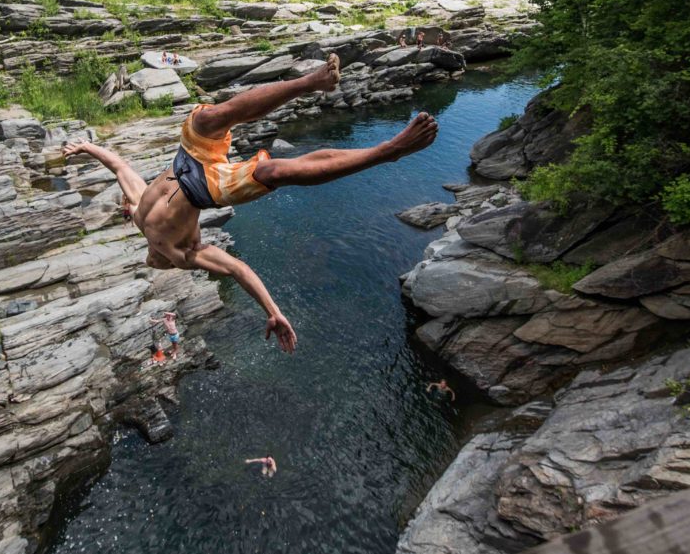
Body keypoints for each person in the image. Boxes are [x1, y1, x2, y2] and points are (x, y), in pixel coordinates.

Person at [62, 53, 438, 354]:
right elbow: (240, 270)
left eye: (151, 261)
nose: (152, 263)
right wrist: (274, 312)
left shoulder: (140, 213)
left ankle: (313, 82)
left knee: (211, 116)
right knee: (276, 172)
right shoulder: (182, 255)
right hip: (208, 187)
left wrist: (84, 146)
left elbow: (118, 165)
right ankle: (387, 152)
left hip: (187, 157)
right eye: (156, 265)